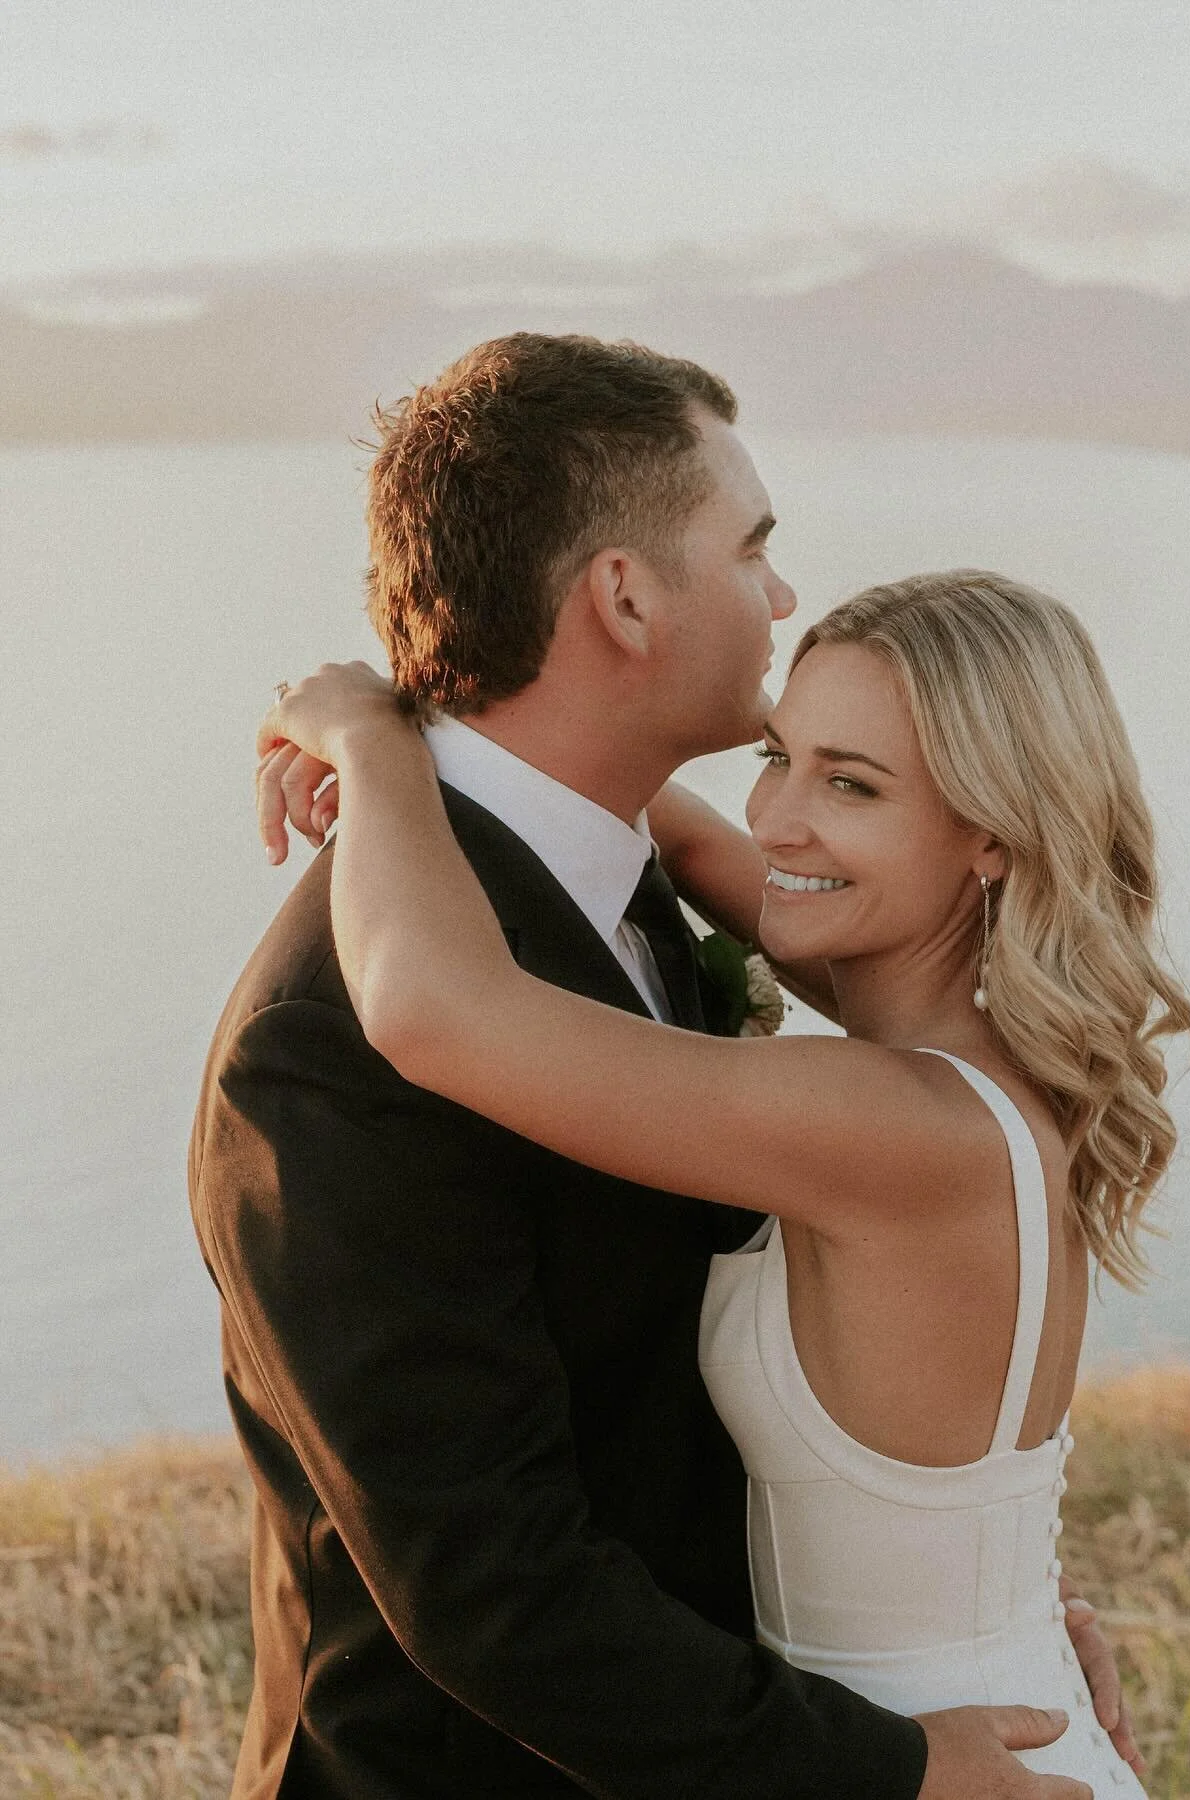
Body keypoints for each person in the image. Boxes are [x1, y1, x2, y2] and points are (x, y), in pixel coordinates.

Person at [194, 331, 1131, 1800]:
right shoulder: (326, 1044)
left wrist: (375, 734)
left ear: (989, 837)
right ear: (626, 595)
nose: (780, 593)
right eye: (753, 545)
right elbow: (495, 1596)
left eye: (854, 781)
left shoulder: (628, 926)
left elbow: (468, 1003)